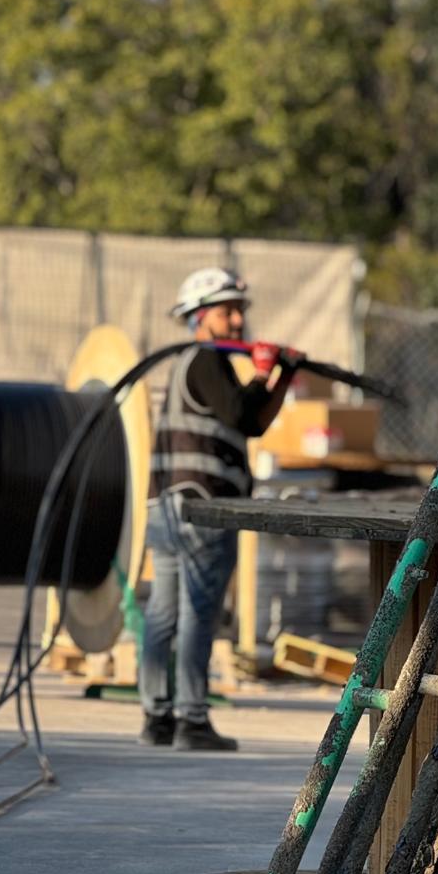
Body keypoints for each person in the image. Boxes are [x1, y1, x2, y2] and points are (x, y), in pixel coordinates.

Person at [138, 267, 298, 751]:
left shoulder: (193, 363)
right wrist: (267, 371)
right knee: (197, 613)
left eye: (239, 312)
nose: (236, 321)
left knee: (164, 611)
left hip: (167, 506)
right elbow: (239, 413)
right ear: (200, 317)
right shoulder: (207, 361)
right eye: (227, 312)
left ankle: (157, 717)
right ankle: (192, 719)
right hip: (202, 507)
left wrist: (281, 375)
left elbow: (251, 423)